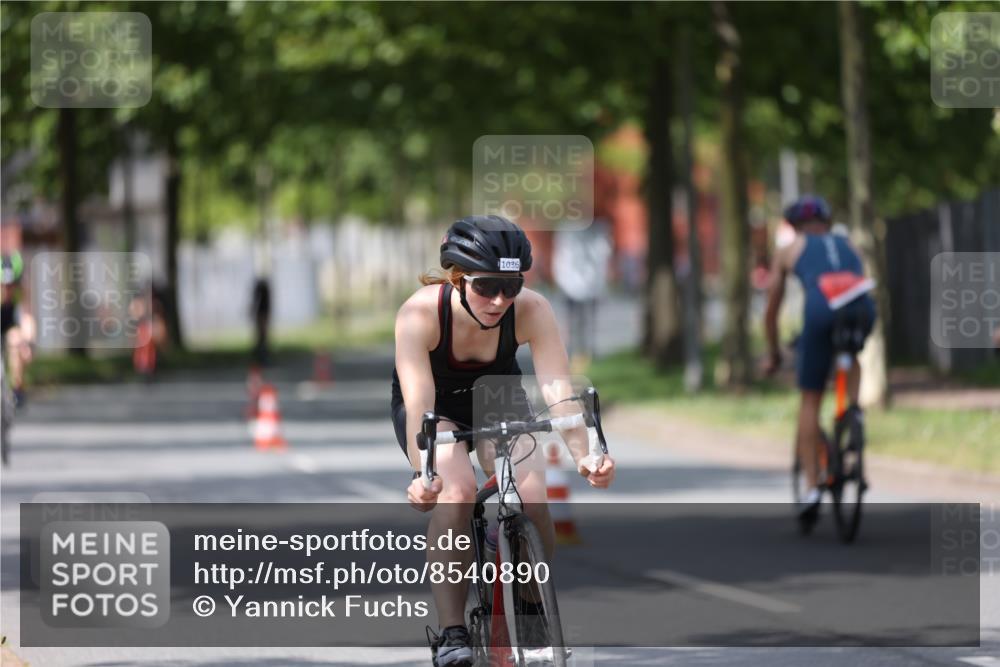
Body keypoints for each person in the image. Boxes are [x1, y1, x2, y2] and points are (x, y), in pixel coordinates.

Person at [392, 215, 616, 667]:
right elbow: (419, 400)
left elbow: (557, 391)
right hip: (435, 408)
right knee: (456, 493)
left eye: (510, 287)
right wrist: (424, 473)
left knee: (533, 495)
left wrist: (586, 456)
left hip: (496, 398)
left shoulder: (532, 309)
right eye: (487, 286)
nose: (499, 300)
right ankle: (452, 631)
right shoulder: (419, 314)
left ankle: (533, 608)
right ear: (457, 279)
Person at [763, 195, 876, 519]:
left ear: (794, 226)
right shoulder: (848, 243)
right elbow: (858, 280)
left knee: (810, 398)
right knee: (849, 353)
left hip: (820, 307)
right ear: (826, 222)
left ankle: (812, 488)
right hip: (861, 306)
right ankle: (852, 415)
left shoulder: (789, 249)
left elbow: (772, 310)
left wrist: (773, 353)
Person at [1, 251, 35, 406]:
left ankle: (17, 390)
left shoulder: (22, 290)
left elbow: (27, 317)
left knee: (16, 340)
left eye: (11, 284)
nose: (8, 289)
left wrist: (28, 342)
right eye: (3, 285)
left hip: (10, 324)